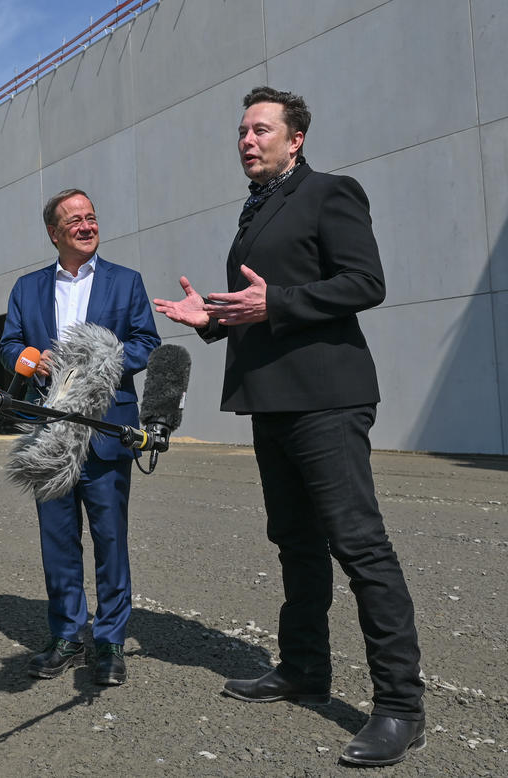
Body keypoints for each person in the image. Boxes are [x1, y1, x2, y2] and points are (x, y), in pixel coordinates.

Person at [153, 86, 425, 766]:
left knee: (359, 546)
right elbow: (256, 308)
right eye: (242, 131)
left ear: (295, 138)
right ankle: (305, 667)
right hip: (272, 401)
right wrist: (212, 321)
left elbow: (366, 283)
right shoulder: (257, 211)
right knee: (295, 543)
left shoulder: (330, 193)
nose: (247, 140)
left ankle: (399, 706)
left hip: (326, 399)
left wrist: (277, 300)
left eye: (261, 130)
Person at [0, 189, 160, 686]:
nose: (87, 225)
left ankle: (110, 641)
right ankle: (67, 634)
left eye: (92, 216)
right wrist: (30, 357)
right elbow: (9, 345)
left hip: (107, 427)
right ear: (54, 232)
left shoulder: (125, 282)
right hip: (50, 434)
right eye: (75, 220)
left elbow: (146, 342)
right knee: (58, 541)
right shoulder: (27, 289)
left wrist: (103, 364)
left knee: (111, 540)